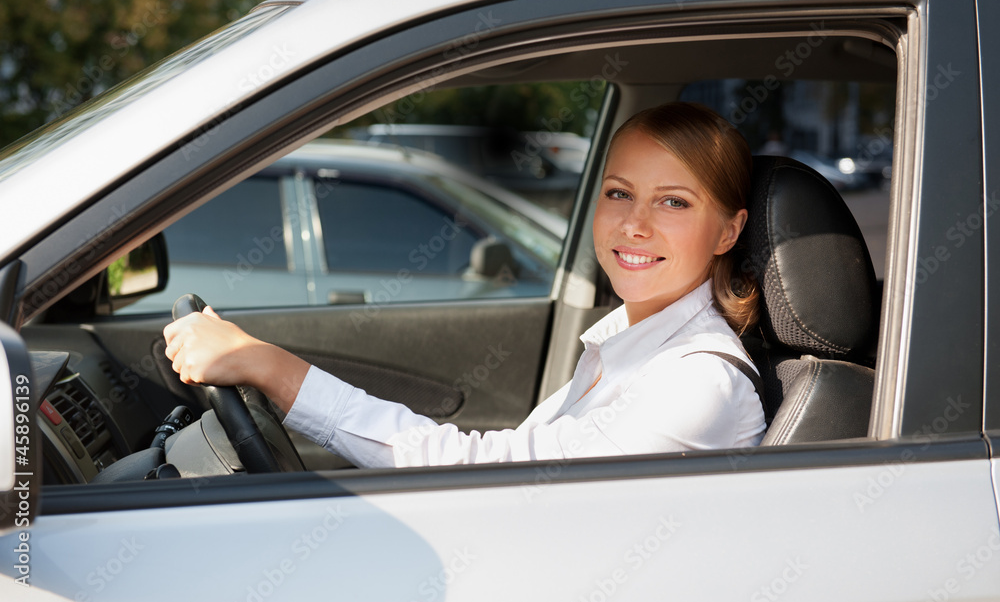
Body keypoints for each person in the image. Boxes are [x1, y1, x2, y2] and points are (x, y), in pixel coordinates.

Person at [163, 102, 766, 467]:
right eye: (618, 193)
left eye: (674, 202)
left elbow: (496, 474)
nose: (634, 223)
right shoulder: (629, 344)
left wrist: (266, 365)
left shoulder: (697, 383)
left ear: (727, 232)